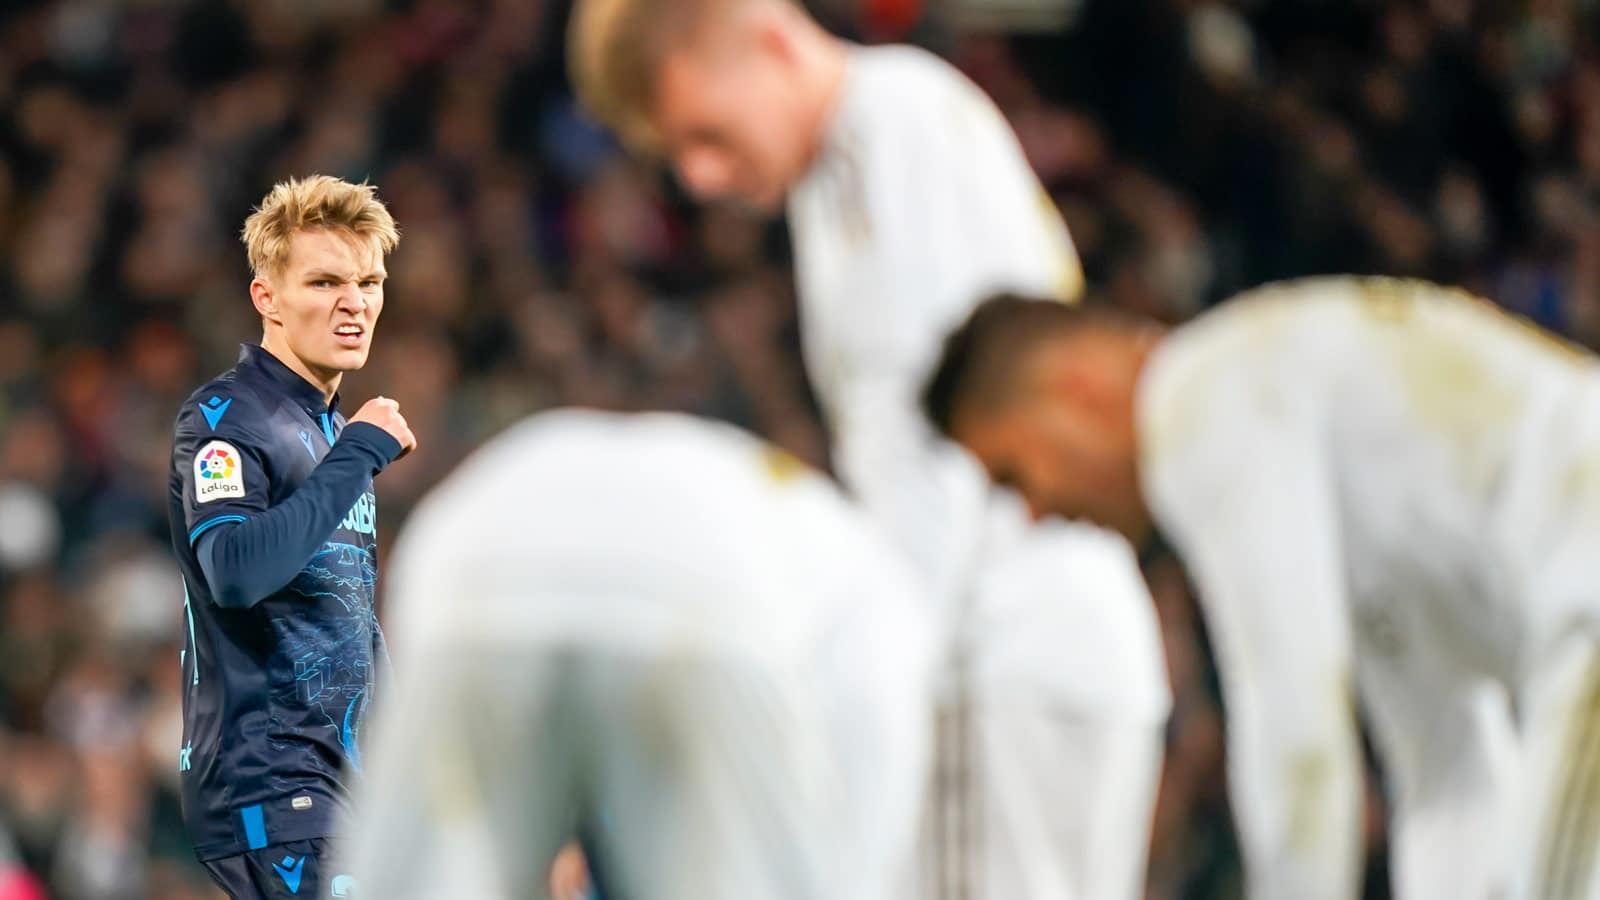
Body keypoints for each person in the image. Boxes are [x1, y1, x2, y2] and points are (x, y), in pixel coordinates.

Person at [568, 3, 1170, 895]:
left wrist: (859, 701)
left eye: (706, 133)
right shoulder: (871, 146)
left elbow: (932, 461)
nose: (699, 176)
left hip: (995, 652)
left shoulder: (889, 133)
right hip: (1022, 646)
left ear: (771, 41)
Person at [922, 276, 1600, 899]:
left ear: (1075, 389)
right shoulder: (1319, 432)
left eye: (1013, 475)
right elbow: (1450, 780)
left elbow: (1296, 738)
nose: (1034, 512)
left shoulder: (1201, 403)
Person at [344, 411, 936, 900]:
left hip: (467, 552)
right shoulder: (882, 594)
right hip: (707, 593)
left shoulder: (821, 540)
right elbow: (863, 819)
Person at [166, 175, 416, 899]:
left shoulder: (332, 433)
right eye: (325, 281)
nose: (354, 302)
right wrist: (360, 453)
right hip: (271, 783)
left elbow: (343, 613)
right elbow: (235, 571)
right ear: (267, 297)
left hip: (342, 786)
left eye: (369, 282)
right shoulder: (225, 418)